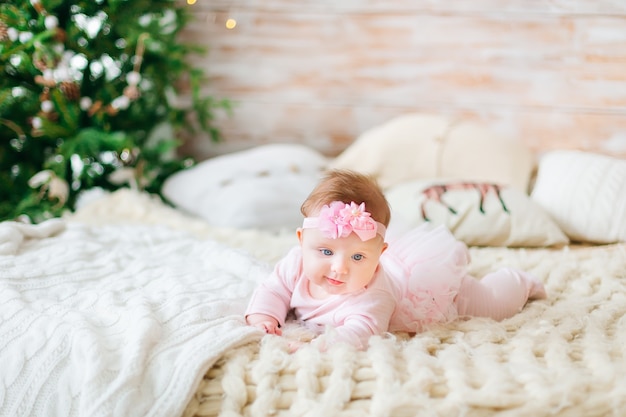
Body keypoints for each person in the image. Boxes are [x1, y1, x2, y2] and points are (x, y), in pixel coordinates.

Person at [245, 169, 547, 350]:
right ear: (301, 242)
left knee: (492, 304)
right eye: (325, 252)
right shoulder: (293, 265)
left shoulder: (373, 295)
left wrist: (321, 347)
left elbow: (360, 334)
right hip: (405, 269)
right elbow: (272, 290)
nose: (340, 267)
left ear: (379, 256)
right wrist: (264, 317)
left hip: (433, 295)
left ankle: (518, 280)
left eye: (359, 256)